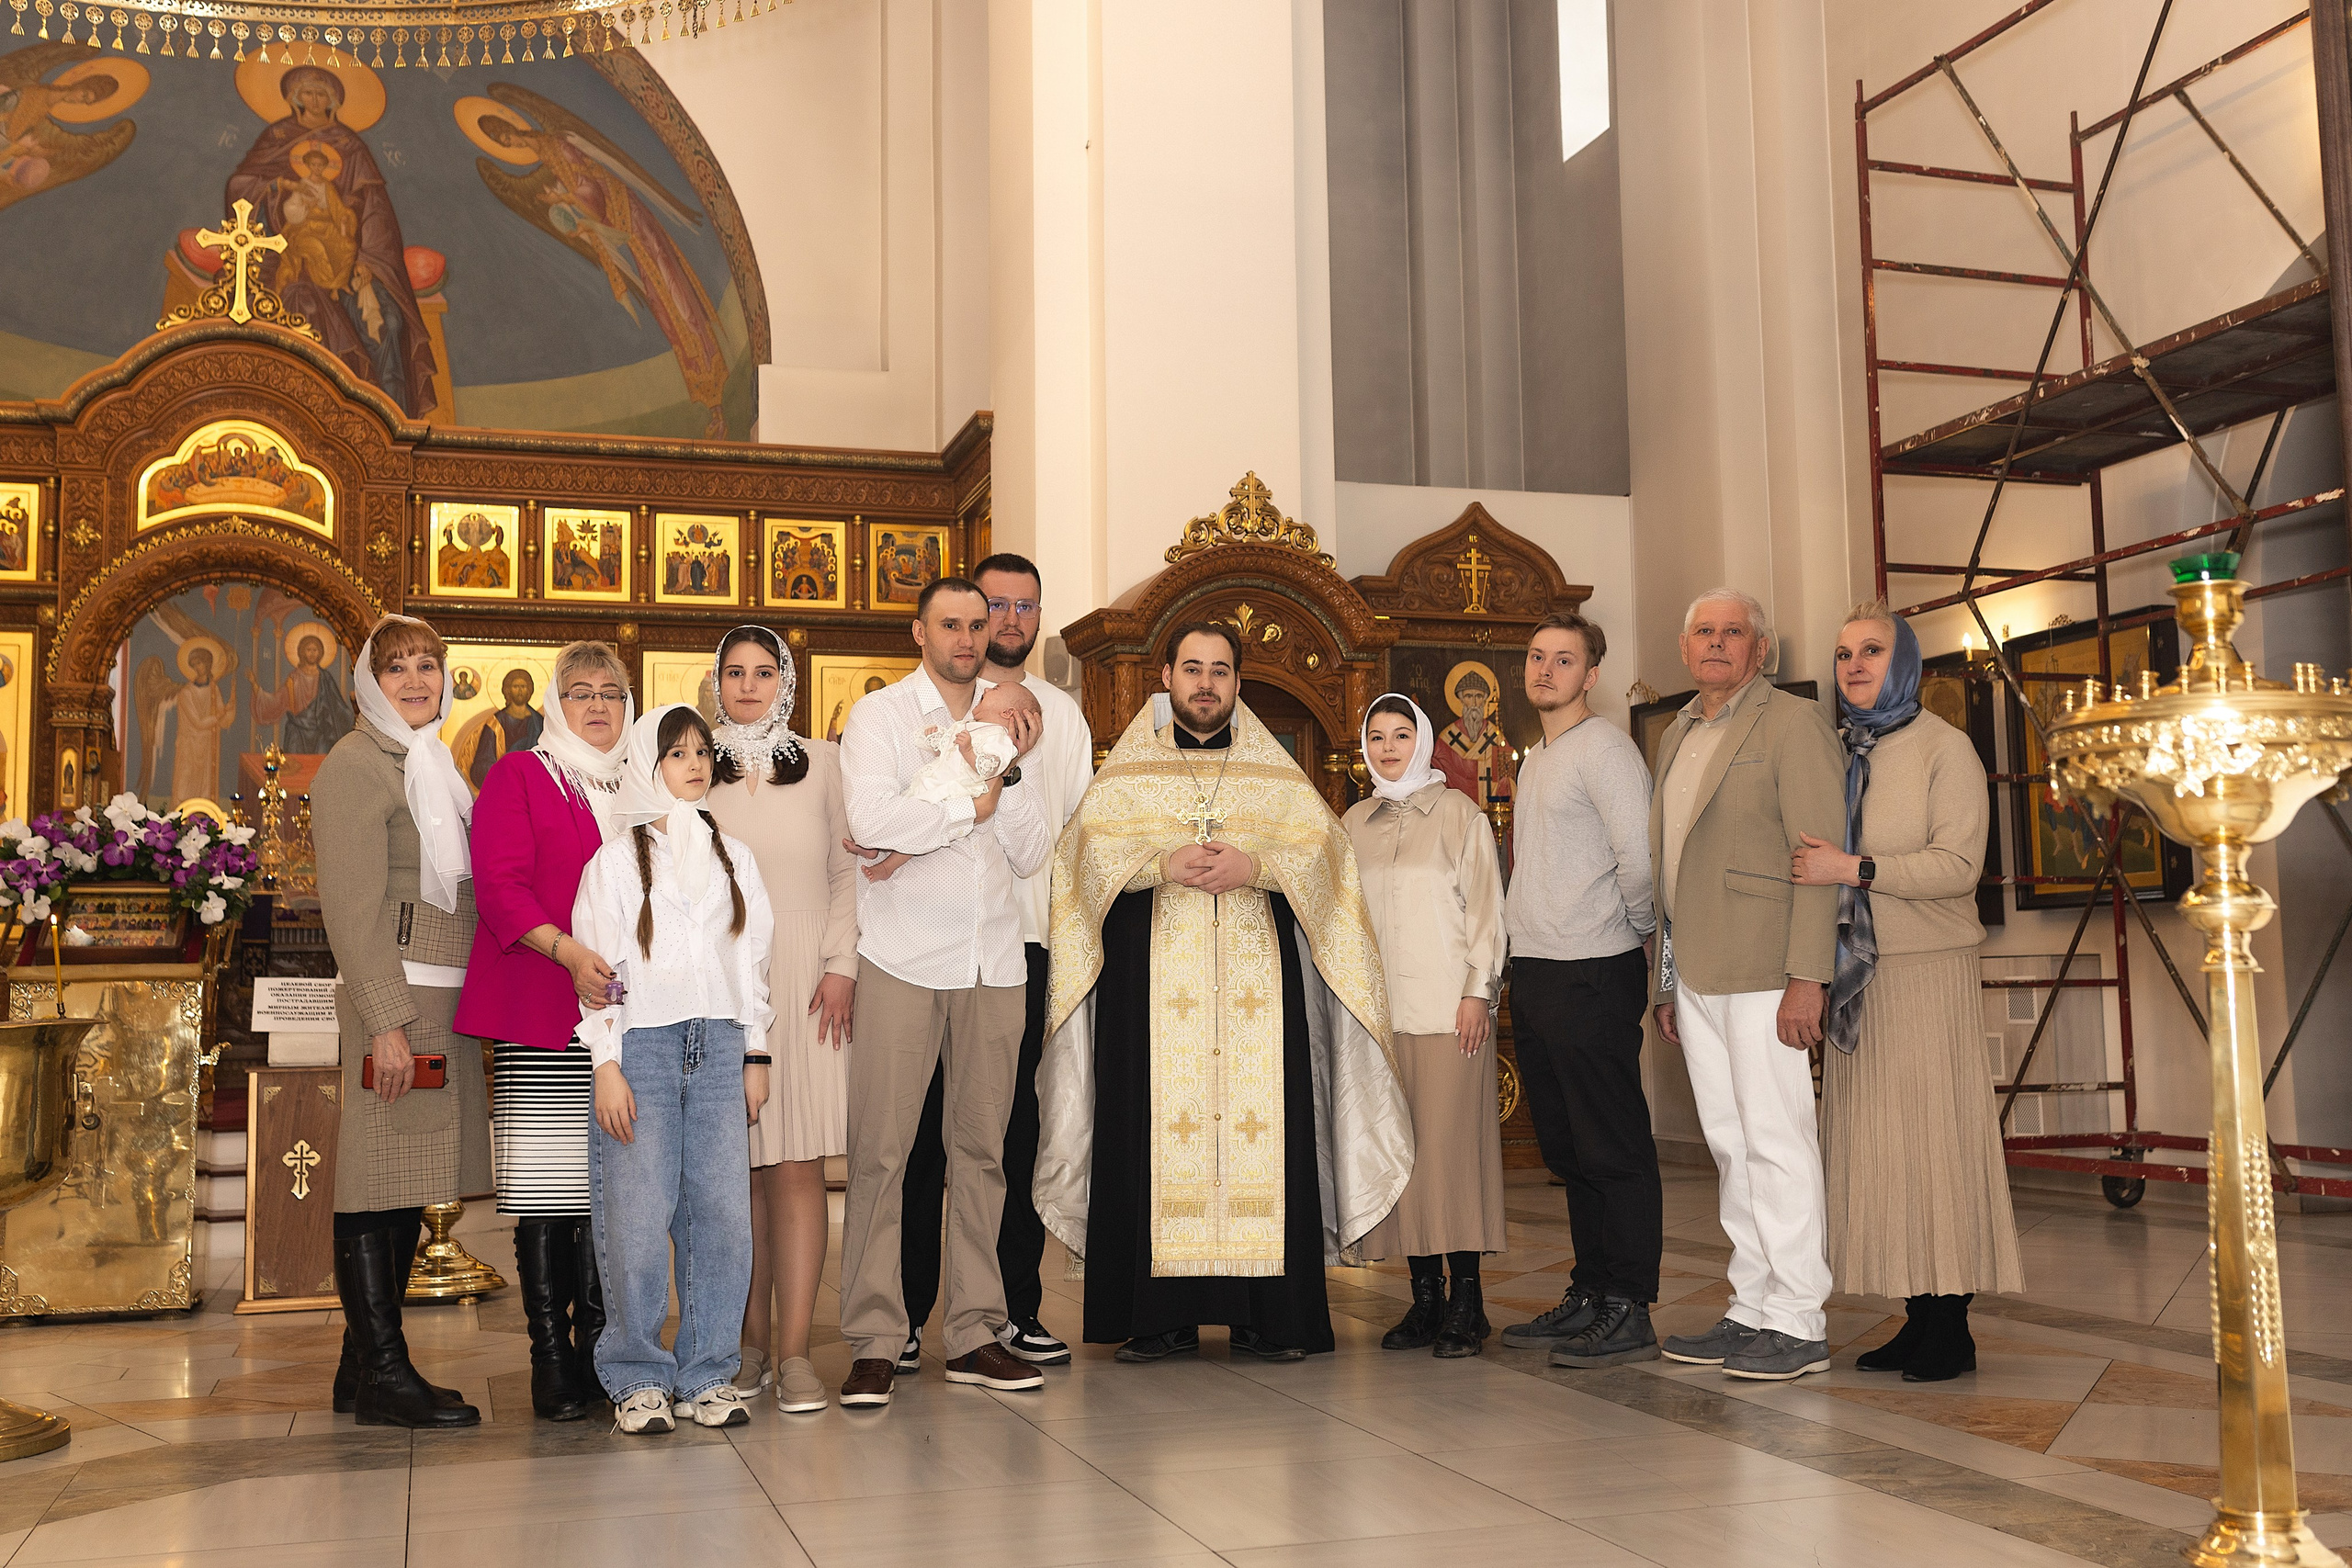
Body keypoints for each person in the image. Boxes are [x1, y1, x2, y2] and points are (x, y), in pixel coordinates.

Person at [1035, 624, 1412, 1364]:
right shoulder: (1126, 775)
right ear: (1167, 676)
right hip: (1150, 993)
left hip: (1257, 998)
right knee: (1146, 1129)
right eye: (1192, 669)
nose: (1206, 684)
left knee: (1264, 1130)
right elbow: (1078, 864)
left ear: (1238, 682)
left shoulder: (1275, 775)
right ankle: (1158, 1317)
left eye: (1221, 671)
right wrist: (1153, 859)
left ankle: (1266, 1314)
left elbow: (1327, 861)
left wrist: (1260, 863)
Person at [834, 578, 1050, 1407]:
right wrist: (969, 802)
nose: (969, 636)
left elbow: (1030, 853)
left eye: (979, 622)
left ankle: (973, 1330)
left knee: (984, 1154)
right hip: (903, 957)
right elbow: (875, 818)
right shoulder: (885, 717)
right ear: (920, 631)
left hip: (994, 960)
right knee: (883, 1152)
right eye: (952, 624)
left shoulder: (1011, 722)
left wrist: (1010, 775)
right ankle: (877, 1337)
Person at [1793, 602, 2020, 1382]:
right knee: (1885, 1145)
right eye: (1843, 652)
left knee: (1934, 1139)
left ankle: (1951, 1322)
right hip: (1861, 975)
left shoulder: (1944, 748)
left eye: (1871, 650)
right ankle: (1916, 1313)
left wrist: (1853, 868)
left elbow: (1959, 867)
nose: (1854, 663)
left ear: (1905, 660)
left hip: (1927, 969)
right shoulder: (1841, 750)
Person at [896, 553, 1096, 1373]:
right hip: (932, 945)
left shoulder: (1065, 717)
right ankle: (907, 1315)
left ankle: (1014, 1308)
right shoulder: (923, 707)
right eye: (995, 607)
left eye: (1024, 607)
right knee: (920, 1140)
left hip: (1027, 946)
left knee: (1011, 1136)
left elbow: (1078, 833)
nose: (1009, 621)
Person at [1649, 589, 1847, 1382]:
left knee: (1777, 1140)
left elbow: (1820, 856)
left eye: (1735, 632)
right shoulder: (1677, 732)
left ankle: (1798, 1319)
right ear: (1685, 646)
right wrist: (1665, 980)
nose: (1719, 643)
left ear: (1761, 650)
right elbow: (1671, 869)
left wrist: (1809, 978)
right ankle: (1752, 1307)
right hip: (1695, 971)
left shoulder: (1792, 724)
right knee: (1732, 1145)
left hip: (1767, 969)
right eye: (1704, 631)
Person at [573, 705, 773, 1434]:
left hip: (718, 1048)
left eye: (701, 753)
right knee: (635, 1214)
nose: (693, 764)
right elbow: (599, 974)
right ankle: (635, 1376)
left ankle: (708, 1371)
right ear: (644, 764)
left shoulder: (735, 856)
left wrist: (755, 1052)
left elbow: (752, 966)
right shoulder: (615, 861)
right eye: (676, 752)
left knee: (722, 1216)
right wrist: (606, 1064)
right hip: (643, 1051)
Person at [312, 613, 489, 1428]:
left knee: (408, 1178)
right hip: (397, 995)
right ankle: (385, 1366)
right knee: (375, 1175)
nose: (417, 680)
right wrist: (384, 1020)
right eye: (397, 669)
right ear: (368, 683)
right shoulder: (357, 763)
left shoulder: (433, 764)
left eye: (428, 665)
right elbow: (351, 907)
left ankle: (359, 1369)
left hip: (441, 998)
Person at [455, 641, 636, 1423]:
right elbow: (499, 886)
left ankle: (602, 1345)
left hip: (631, 1020)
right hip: (544, 1003)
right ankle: (551, 1359)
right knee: (552, 1191)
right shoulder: (521, 774)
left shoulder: (645, 783)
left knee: (614, 1192)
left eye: (612, 692)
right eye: (582, 692)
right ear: (557, 704)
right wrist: (567, 951)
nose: (598, 705)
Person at [1494, 612, 1664, 1368]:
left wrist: (1625, 932)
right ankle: (1591, 1290)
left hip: (1593, 966)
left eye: (1563, 659)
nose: (1545, 669)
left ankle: (1629, 1304)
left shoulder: (1606, 750)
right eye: (1536, 656)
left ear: (1590, 674)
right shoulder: (1538, 756)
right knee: (1568, 1145)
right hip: (1538, 969)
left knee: (1612, 1142)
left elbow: (1640, 860)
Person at [702, 626, 858, 1416]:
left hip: (804, 978)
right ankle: (744, 1343)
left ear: (786, 682)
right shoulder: (693, 766)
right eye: (735, 672)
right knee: (732, 1173)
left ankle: (795, 1352)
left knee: (794, 1166)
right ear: (717, 680)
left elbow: (847, 871)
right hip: (716, 979)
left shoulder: (825, 763)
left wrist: (841, 965)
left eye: (765, 673)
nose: (750, 685)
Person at [1344, 694, 1505, 1359]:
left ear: (1425, 740)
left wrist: (1478, 992)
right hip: (1381, 1021)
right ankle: (1424, 1300)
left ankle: (1468, 1301)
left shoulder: (1460, 815)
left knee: (1450, 1156)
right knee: (1402, 1159)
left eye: (1401, 734)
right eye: (1377, 736)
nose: (1388, 747)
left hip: (1449, 1013)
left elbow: (1488, 914)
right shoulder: (1355, 822)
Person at [861, 682, 1040, 880]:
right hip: (938, 778)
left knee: (924, 825)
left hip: (957, 789)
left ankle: (888, 866)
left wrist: (973, 753)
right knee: (910, 807)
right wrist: (939, 739)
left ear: (1007, 712)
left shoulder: (1000, 739)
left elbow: (989, 767)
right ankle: (873, 847)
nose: (987, 689)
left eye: (995, 690)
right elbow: (951, 751)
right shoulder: (969, 726)